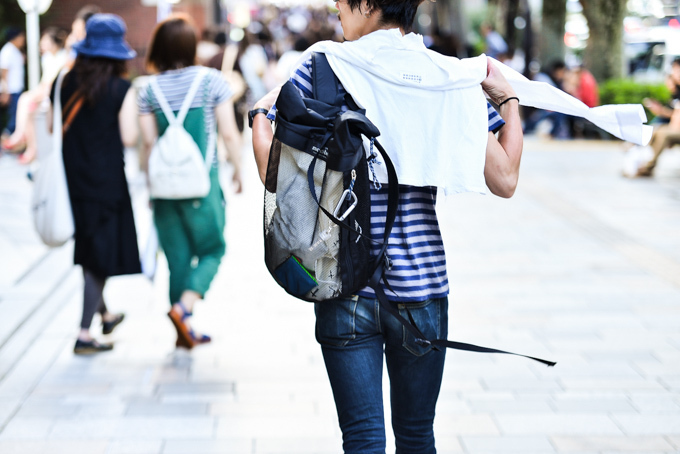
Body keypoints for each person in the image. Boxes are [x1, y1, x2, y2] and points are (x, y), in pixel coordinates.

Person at [251, 0, 522, 451]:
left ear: (369, 4)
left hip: (344, 282)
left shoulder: (322, 66)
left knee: (362, 439)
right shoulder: (447, 75)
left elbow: (276, 177)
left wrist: (260, 119)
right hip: (422, 285)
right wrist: (508, 99)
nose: (335, 7)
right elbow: (505, 178)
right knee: (417, 435)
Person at [138, 14, 243, 349]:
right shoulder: (211, 81)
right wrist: (240, 169)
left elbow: (148, 144)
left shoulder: (147, 89)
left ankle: (182, 330)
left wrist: (148, 181)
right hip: (202, 183)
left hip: (164, 187)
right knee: (213, 249)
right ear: (191, 45)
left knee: (177, 258)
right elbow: (228, 132)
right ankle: (183, 310)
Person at [49, 14, 141, 354]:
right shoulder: (121, 88)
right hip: (107, 182)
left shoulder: (64, 82)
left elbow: (51, 128)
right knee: (97, 256)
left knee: (91, 248)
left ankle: (106, 313)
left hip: (74, 179)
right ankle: (84, 334)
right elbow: (129, 137)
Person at [2, 27, 68, 161]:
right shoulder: (47, 58)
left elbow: (51, 84)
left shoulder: (62, 57)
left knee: (27, 105)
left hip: (53, 95)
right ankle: (28, 144)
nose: (41, 44)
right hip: (42, 92)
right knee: (27, 106)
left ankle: (24, 141)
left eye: (44, 40)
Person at [0, 28, 26, 140]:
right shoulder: (7, 51)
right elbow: (3, 73)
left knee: (16, 118)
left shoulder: (15, 50)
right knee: (13, 119)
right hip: (11, 90)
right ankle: (5, 142)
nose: (23, 39)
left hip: (17, 89)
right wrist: (5, 92)